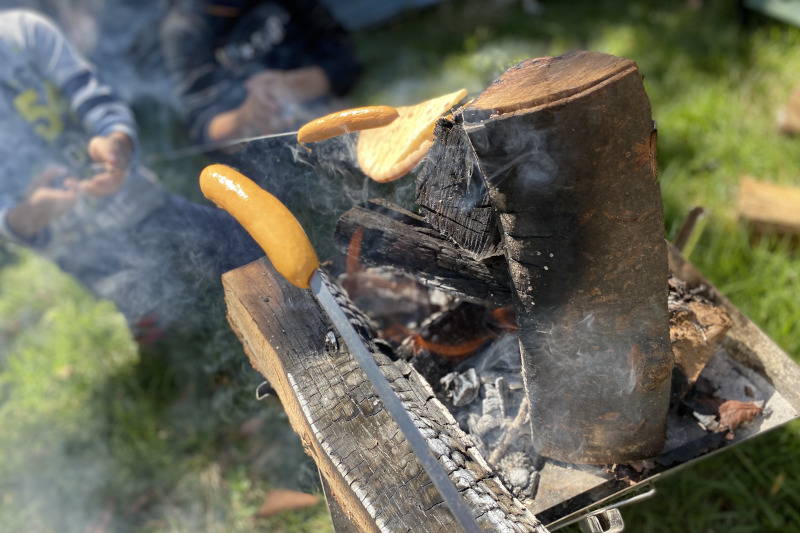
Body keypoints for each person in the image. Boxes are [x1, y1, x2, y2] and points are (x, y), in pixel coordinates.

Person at [0, 8, 264, 342]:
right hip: (80, 251)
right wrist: (27, 215)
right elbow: (7, 218)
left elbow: (94, 99)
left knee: (246, 253)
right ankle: (161, 341)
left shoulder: (23, 32)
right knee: (158, 322)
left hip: (140, 203)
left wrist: (115, 144)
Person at [159, 0, 362, 146]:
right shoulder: (184, 29)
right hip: (267, 155)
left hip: (331, 114)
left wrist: (295, 85)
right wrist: (248, 117)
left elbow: (343, 55)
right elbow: (202, 128)